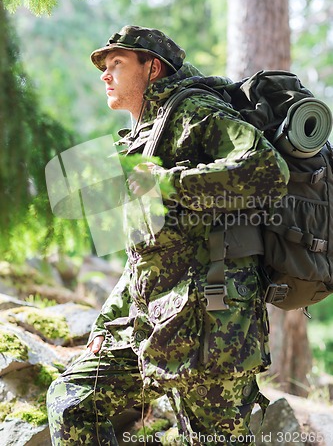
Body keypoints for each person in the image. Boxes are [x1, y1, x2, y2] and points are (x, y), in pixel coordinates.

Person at [47, 25, 289, 445]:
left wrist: (170, 184)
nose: (105, 74)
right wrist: (107, 321)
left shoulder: (195, 111)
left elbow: (268, 171)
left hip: (215, 328)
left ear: (152, 67)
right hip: (152, 323)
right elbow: (146, 254)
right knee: (72, 401)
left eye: (117, 64)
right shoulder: (145, 136)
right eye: (104, 66)